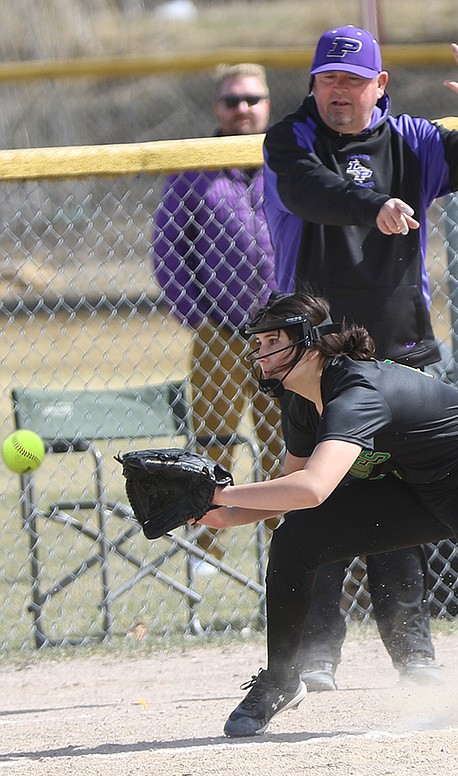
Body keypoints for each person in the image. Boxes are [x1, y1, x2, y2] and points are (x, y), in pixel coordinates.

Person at [201, 292, 458, 736]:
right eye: (258, 344)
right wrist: (219, 512)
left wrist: (222, 493)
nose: (261, 354)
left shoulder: (355, 394)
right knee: (297, 538)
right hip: (414, 487)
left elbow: (312, 488)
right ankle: (280, 679)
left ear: (311, 345)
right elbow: (291, 495)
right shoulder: (300, 399)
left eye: (273, 341)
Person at [262, 26, 458, 691]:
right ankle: (315, 650)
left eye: (352, 81)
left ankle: (414, 651)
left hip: (396, 349)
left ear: (380, 86)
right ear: (313, 86)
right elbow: (309, 192)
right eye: (327, 80)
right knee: (318, 497)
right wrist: (372, 207)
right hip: (312, 354)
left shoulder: (413, 141)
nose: (337, 93)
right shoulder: (292, 140)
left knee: (398, 495)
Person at [151, 63, 284, 545]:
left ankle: (288, 545)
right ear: (217, 108)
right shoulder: (195, 167)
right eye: (232, 101)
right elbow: (168, 249)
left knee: (285, 444)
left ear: (268, 104)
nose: (243, 109)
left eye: (252, 99)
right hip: (221, 332)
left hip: (287, 337)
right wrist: (198, 317)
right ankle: (205, 550)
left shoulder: (289, 159)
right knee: (212, 447)